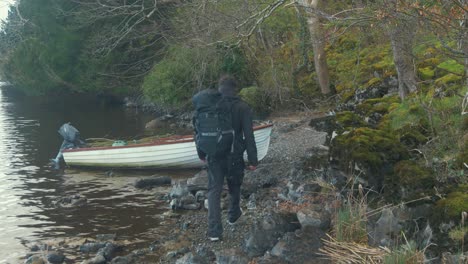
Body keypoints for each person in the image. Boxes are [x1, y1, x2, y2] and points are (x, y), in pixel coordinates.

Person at [193, 75, 258, 242]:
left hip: (213, 154)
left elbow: (198, 132)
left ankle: (214, 231)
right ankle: (233, 216)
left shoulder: (209, 105)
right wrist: (252, 160)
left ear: (219, 87)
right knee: (234, 185)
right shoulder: (242, 107)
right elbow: (249, 136)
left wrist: (202, 154)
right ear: (235, 88)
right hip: (234, 154)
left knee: (214, 190)